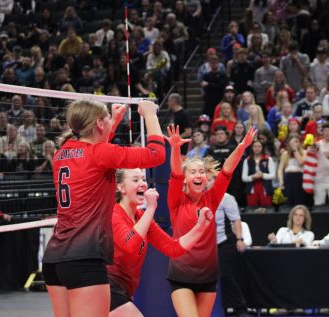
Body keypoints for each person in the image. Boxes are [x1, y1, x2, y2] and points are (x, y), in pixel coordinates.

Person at [42, 100, 165, 317]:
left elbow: (91, 154)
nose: (110, 120)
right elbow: (156, 155)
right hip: (84, 260)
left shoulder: (62, 153)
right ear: (99, 123)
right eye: (107, 117)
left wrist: (114, 120)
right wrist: (150, 116)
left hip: (54, 260)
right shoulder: (99, 153)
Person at [165, 124, 255, 317]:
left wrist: (241, 147)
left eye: (201, 172)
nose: (198, 175)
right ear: (185, 179)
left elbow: (227, 171)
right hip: (181, 275)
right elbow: (175, 173)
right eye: (193, 172)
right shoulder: (176, 200)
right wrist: (174, 148)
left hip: (208, 275)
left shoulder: (212, 198)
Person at [108, 168, 212, 316]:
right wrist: (151, 208)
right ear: (121, 187)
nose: (143, 184)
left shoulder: (141, 216)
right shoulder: (114, 213)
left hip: (125, 290)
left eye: (143, 179)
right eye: (135, 180)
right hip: (106, 286)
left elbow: (173, 248)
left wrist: (200, 227)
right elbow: (130, 246)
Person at [205, 159, 247, 316]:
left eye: (210, 180)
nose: (207, 183)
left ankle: (240, 307)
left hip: (223, 243)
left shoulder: (226, 198)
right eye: (206, 179)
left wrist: (240, 239)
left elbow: (235, 219)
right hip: (204, 246)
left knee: (226, 276)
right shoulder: (199, 197)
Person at [242, 139, 275, 206]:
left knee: (266, 210)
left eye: (259, 146)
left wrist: (262, 175)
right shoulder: (247, 160)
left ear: (262, 147)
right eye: (255, 146)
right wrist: (252, 177)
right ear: (252, 147)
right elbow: (243, 178)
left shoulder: (268, 159)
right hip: (252, 189)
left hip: (265, 188)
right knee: (252, 211)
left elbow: (273, 175)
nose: (257, 148)